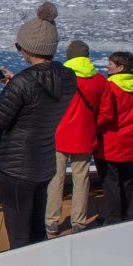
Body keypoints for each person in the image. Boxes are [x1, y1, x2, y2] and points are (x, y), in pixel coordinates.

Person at [0, 2, 76, 248]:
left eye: (19, 46)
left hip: (17, 168)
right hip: (43, 163)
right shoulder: (68, 77)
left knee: (19, 233)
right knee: (36, 229)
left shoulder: (24, 83)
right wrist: (16, 84)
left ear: (27, 48)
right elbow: (40, 98)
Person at [45, 40, 112, 235]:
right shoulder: (100, 81)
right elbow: (107, 113)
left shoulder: (58, 77)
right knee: (81, 180)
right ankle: (79, 222)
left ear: (69, 57)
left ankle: (52, 221)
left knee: (55, 179)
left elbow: (46, 106)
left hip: (59, 137)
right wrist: (91, 126)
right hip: (84, 138)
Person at [94, 51, 133, 224]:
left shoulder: (109, 86)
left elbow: (105, 114)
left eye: (110, 64)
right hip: (132, 141)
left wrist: (94, 129)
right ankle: (123, 215)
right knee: (126, 181)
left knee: (111, 182)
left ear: (120, 67)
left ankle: (114, 219)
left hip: (111, 142)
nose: (107, 67)